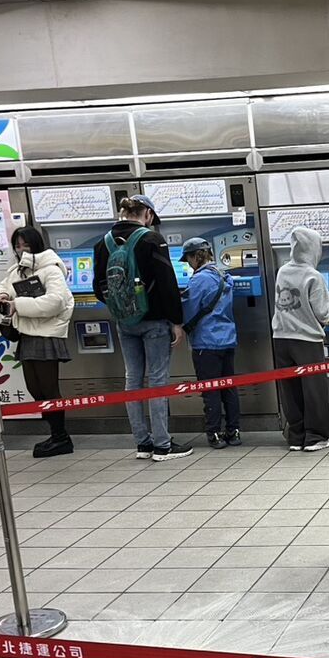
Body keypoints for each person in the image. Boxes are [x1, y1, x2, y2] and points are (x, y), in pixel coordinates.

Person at [92, 194, 191, 462]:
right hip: (154, 321)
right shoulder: (152, 240)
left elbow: (98, 287)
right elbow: (167, 282)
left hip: (124, 323)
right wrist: (176, 321)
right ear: (147, 214)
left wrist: (122, 308)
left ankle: (142, 443)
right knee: (157, 380)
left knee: (133, 379)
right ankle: (162, 445)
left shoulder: (103, 243)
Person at [0, 227, 75, 458]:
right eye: (17, 246)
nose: (21, 250)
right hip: (27, 334)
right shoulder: (18, 270)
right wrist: (2, 297)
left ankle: (60, 437)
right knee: (34, 388)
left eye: (25, 245)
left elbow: (55, 302)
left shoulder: (51, 269)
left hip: (47, 334)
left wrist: (17, 305)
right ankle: (56, 434)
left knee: (49, 389)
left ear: (36, 244)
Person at [271, 227, 329, 452]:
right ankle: (316, 436)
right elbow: (322, 313)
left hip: (281, 337)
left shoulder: (282, 271)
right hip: (306, 339)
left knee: (290, 389)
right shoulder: (313, 276)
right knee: (314, 389)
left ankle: (296, 437)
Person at [179, 238, 242, 449]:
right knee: (229, 388)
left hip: (206, 343)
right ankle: (233, 431)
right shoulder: (224, 276)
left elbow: (189, 311)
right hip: (228, 340)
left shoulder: (198, 280)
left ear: (195, 256)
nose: (188, 264)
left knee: (210, 390)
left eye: (188, 259)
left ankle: (214, 433)